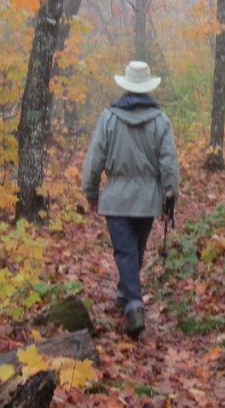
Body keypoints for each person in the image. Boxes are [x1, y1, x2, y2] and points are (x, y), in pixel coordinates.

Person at [82, 61, 179, 338]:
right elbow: (169, 161)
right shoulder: (160, 120)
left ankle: (133, 304)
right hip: (147, 200)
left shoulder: (109, 118)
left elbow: (95, 158)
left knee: (126, 252)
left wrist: (91, 191)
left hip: (117, 199)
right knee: (134, 250)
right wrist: (170, 194)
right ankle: (128, 294)